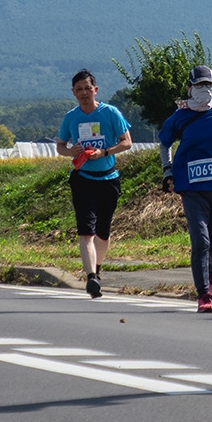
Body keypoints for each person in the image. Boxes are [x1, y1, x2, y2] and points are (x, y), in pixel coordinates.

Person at [158, 65, 212, 313]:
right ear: (189, 88)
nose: (205, 89)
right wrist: (167, 170)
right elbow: (164, 143)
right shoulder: (179, 117)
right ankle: (204, 295)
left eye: (209, 85)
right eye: (199, 85)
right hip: (191, 187)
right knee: (201, 241)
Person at [55, 69, 132, 299]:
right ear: (73, 92)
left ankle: (97, 271)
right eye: (79, 89)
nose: (84, 93)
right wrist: (71, 151)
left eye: (87, 88)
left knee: (103, 233)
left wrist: (104, 152)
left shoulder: (111, 113)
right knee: (86, 231)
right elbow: (60, 145)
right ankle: (90, 278)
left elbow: (127, 142)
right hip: (82, 179)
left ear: (95, 90)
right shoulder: (71, 117)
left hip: (108, 179)